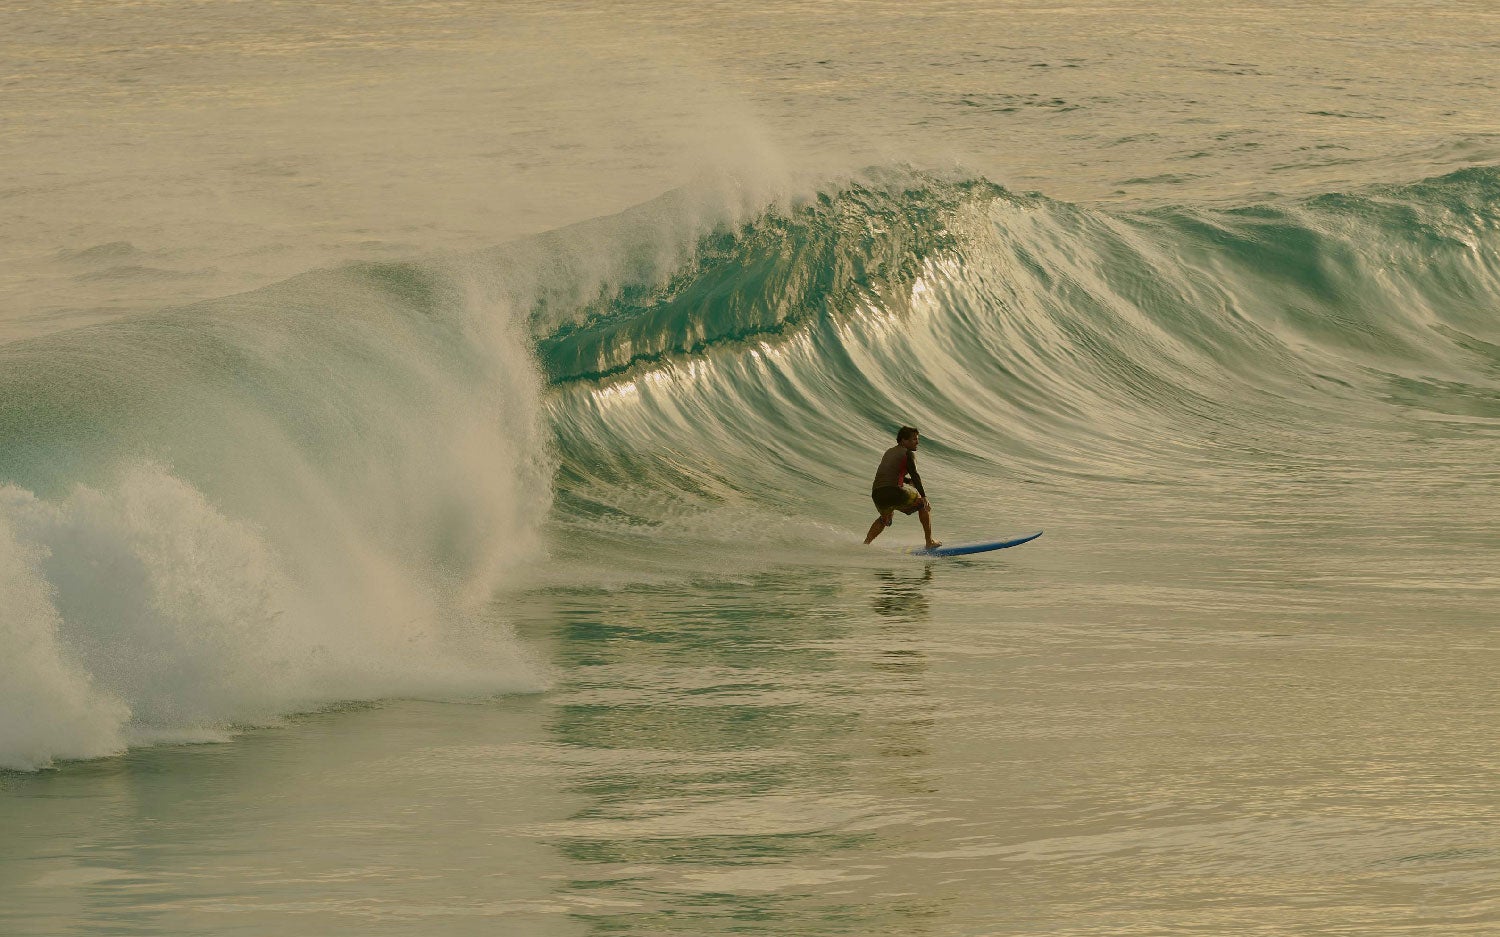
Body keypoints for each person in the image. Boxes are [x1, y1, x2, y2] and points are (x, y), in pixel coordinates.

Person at [864, 426, 940, 548]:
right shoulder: (907, 453)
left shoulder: (889, 451)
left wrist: (906, 480)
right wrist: (924, 497)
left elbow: (887, 473)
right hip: (893, 491)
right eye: (914, 439)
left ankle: (865, 544)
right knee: (922, 505)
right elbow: (915, 474)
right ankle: (929, 541)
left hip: (877, 494)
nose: (917, 442)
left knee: (886, 518)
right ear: (904, 441)